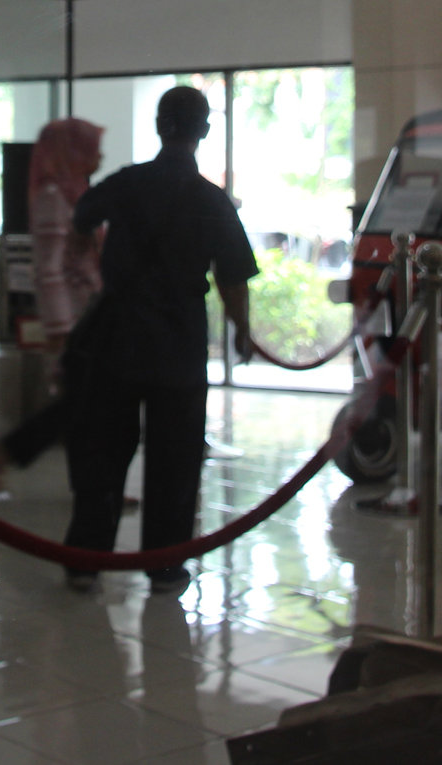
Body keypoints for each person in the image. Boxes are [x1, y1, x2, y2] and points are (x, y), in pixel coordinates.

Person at [61, 86, 258, 595]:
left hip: (118, 334)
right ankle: (166, 563)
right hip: (179, 340)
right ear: (205, 131)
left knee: (103, 452)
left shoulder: (127, 183)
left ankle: (86, 559)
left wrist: (87, 272)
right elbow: (233, 278)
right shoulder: (211, 200)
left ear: (157, 125)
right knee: (176, 458)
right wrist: (243, 333)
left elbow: (82, 217)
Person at [0, 118, 105, 488]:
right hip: (75, 320)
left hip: (86, 314)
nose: (98, 156)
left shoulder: (74, 194)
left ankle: (89, 481)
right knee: (84, 402)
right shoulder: (55, 199)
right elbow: (48, 269)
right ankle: (9, 451)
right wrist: (60, 327)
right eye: (91, 147)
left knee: (85, 404)